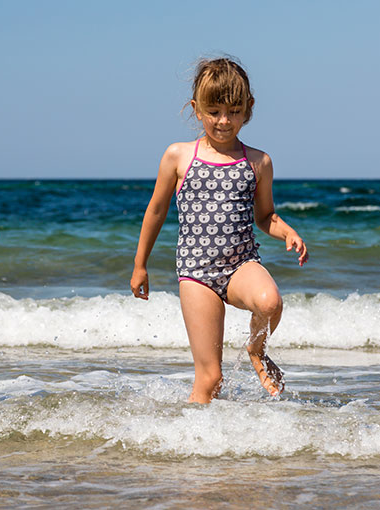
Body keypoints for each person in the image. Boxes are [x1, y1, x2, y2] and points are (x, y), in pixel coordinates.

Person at [130, 57, 308, 404]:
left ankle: (256, 349)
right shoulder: (179, 156)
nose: (223, 121)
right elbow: (156, 210)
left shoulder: (258, 162)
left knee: (270, 302)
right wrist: (140, 264)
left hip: (242, 266)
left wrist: (287, 232)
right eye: (214, 111)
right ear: (197, 109)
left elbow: (266, 215)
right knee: (211, 379)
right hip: (196, 274)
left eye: (234, 111)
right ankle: (196, 447)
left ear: (248, 109)